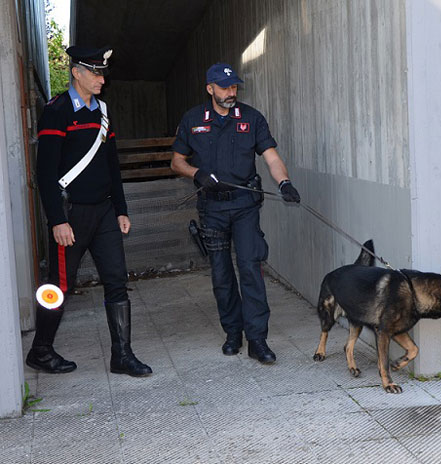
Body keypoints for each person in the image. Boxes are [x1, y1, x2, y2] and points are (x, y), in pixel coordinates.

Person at [26, 45, 152, 377]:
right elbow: (45, 172)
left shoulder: (103, 112)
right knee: (59, 286)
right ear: (77, 73)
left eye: (102, 74)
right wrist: (57, 220)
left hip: (104, 212)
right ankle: (40, 350)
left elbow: (112, 164)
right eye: (95, 73)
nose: (101, 79)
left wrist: (121, 209)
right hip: (71, 214)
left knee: (116, 281)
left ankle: (122, 356)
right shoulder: (57, 110)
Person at [171, 63, 301, 364]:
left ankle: (257, 340)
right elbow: (176, 161)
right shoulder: (193, 120)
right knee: (221, 275)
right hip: (212, 208)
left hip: (244, 206)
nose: (231, 93)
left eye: (234, 87)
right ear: (210, 89)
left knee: (251, 270)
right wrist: (197, 173)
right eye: (225, 87)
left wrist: (284, 182)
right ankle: (232, 333)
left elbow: (271, 157)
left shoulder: (252, 118)